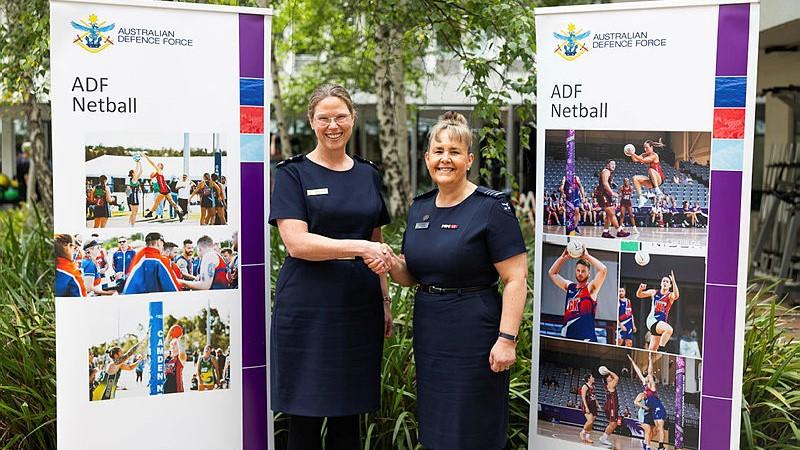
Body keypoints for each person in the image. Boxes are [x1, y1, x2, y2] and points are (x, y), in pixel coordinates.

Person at [385, 111, 527, 450]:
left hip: (475, 330)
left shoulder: (491, 208)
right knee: (438, 423)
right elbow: (411, 275)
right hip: (431, 330)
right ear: (427, 159)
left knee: (475, 423)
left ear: (469, 160)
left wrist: (507, 339)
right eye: (438, 151)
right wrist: (390, 262)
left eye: (454, 152)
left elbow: (515, 277)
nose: (445, 159)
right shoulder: (419, 208)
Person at [269, 84, 394, 450]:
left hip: (358, 305)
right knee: (304, 418)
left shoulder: (368, 174)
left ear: (353, 118)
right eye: (324, 118)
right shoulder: (293, 174)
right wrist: (360, 246)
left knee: (348, 418)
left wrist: (384, 300)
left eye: (341, 116)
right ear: (312, 121)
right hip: (307, 305)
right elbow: (296, 243)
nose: (333, 125)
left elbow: (377, 239)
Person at [548, 247, 607, 342]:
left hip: (586, 339)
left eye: (583, 271)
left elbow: (603, 270)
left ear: (589, 273)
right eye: (578, 270)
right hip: (567, 336)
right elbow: (552, 273)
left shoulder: (591, 289)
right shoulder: (570, 287)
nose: (580, 273)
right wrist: (563, 258)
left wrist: (587, 257)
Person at [629, 353, 668, 450]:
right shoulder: (645, 386)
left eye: (648, 377)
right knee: (654, 429)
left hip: (658, 408)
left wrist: (650, 359)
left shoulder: (652, 387)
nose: (646, 377)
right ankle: (647, 444)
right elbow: (639, 372)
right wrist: (632, 361)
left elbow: (650, 373)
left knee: (659, 428)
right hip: (652, 410)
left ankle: (660, 446)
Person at [637, 271, 680, 351]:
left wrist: (674, 281)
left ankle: (650, 357)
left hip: (660, 324)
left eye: (667, 282)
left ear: (670, 285)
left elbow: (677, 295)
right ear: (661, 283)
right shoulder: (654, 292)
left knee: (653, 349)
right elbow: (639, 295)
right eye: (663, 281)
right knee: (669, 330)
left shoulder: (670, 296)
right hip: (652, 320)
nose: (665, 283)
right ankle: (662, 350)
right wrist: (640, 289)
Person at [142, 153, 186, 221]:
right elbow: (151, 177)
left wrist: (146, 157)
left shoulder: (159, 171)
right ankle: (179, 214)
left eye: (159, 164)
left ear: (161, 167)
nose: (157, 165)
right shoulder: (157, 173)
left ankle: (150, 213)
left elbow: (152, 163)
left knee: (168, 202)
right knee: (160, 202)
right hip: (163, 190)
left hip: (165, 189)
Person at [594, 160, 630, 238]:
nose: (614, 165)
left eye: (615, 164)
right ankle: (619, 231)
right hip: (602, 194)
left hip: (606, 194)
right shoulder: (606, 171)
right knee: (611, 213)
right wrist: (612, 193)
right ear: (607, 165)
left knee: (609, 214)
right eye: (612, 164)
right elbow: (605, 183)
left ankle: (605, 232)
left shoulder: (609, 172)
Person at [628, 139, 667, 207]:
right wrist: (631, 153)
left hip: (659, 179)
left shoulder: (654, 155)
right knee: (635, 178)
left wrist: (633, 154)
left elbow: (643, 160)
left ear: (651, 147)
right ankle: (641, 198)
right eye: (644, 147)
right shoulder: (644, 154)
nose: (645, 149)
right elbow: (635, 160)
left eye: (647, 147)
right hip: (651, 180)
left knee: (651, 170)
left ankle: (657, 190)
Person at [600, 368, 620, 447]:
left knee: (614, 424)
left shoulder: (609, 385)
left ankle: (604, 437)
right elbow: (617, 377)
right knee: (612, 423)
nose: (611, 377)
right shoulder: (610, 384)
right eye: (609, 376)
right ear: (606, 379)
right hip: (611, 405)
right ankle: (603, 438)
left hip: (612, 405)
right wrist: (608, 371)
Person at [580, 373, 599, 444]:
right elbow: (583, 398)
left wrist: (597, 404)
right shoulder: (585, 386)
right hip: (587, 405)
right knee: (590, 421)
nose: (593, 378)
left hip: (593, 405)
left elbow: (594, 396)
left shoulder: (593, 386)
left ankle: (587, 437)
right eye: (592, 377)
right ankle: (582, 432)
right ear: (588, 379)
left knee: (591, 423)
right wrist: (586, 407)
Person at [126, 160, 143, 226]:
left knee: (134, 212)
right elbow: (137, 170)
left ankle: (130, 224)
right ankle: (132, 225)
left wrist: (140, 163)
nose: (135, 172)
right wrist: (137, 163)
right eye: (134, 172)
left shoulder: (135, 179)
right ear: (133, 174)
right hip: (133, 197)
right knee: (134, 212)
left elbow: (141, 171)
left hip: (134, 197)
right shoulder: (134, 179)